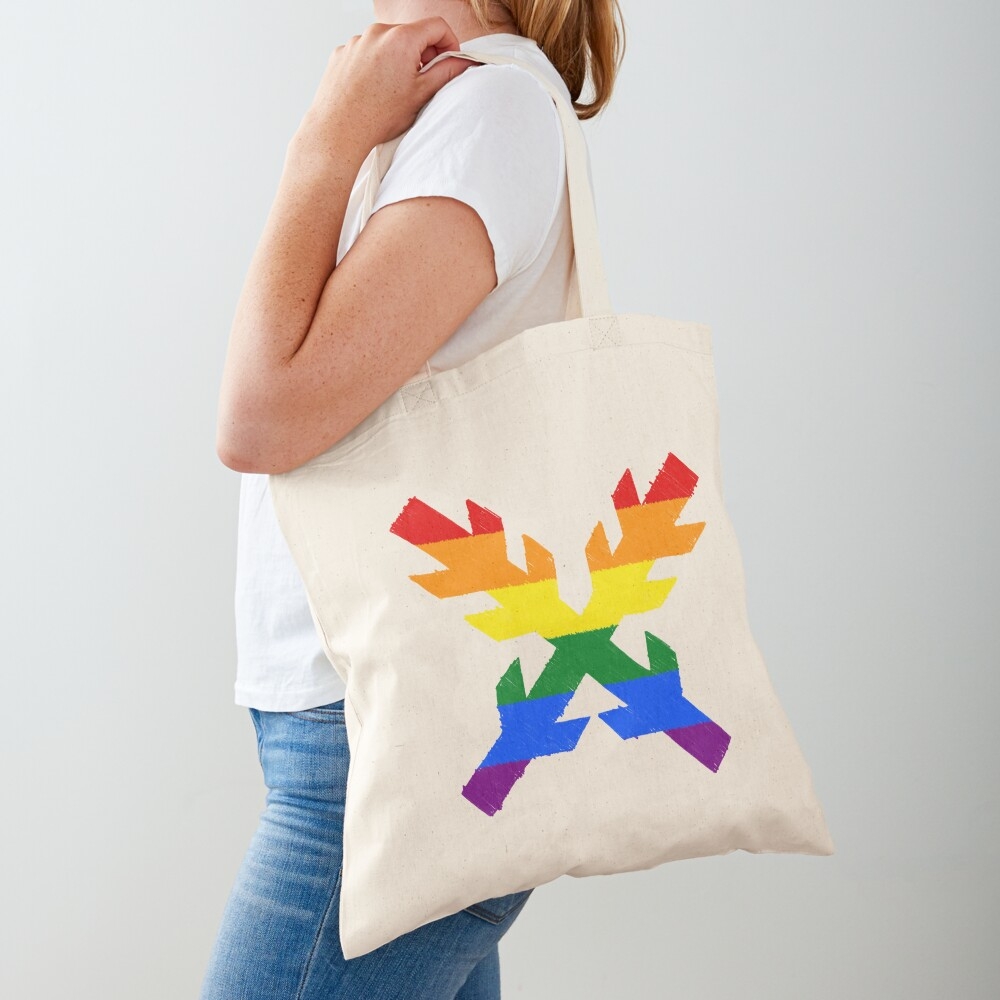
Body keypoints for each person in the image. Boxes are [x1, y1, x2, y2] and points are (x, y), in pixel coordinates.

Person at [201, 1, 624, 996]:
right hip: (373, 733)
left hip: (386, 759)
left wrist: (324, 142)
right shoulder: (447, 110)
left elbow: (260, 416)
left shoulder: (491, 111)